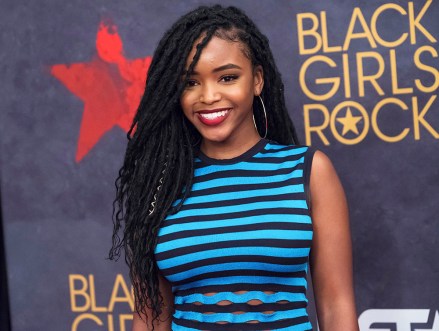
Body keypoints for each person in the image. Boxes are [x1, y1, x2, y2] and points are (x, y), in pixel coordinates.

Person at [110, 4, 359, 331]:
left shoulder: (308, 172)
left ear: (256, 80)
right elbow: (151, 317)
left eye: (227, 77)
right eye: (190, 83)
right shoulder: (162, 184)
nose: (209, 96)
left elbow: (336, 306)